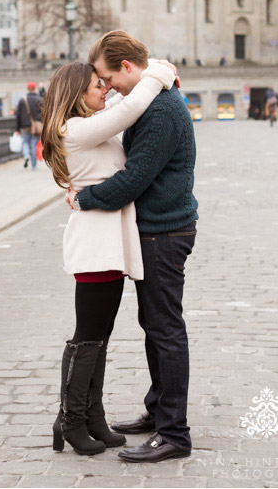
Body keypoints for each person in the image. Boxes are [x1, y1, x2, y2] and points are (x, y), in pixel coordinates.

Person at [67, 30, 198, 463]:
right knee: (154, 324)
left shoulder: (159, 110)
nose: (107, 88)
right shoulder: (151, 100)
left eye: (107, 77)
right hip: (156, 230)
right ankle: (158, 411)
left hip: (164, 231)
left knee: (164, 329)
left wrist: (85, 198)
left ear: (126, 67)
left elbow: (134, 178)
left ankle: (174, 432)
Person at [41, 59, 177, 456]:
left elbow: (120, 98)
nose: (105, 89)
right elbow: (129, 108)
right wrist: (158, 73)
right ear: (76, 94)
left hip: (108, 241)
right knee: (87, 337)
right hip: (96, 243)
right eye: (96, 85)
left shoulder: (85, 126)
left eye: (104, 83)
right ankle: (70, 419)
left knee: (98, 338)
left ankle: (90, 416)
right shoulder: (76, 129)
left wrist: (137, 72)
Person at [15, 81, 43, 170]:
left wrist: (17, 128)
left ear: (27, 88)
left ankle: (26, 155)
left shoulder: (22, 100)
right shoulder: (39, 100)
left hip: (24, 126)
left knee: (25, 142)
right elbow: (44, 113)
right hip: (36, 126)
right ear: (34, 88)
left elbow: (17, 115)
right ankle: (34, 166)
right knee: (33, 144)